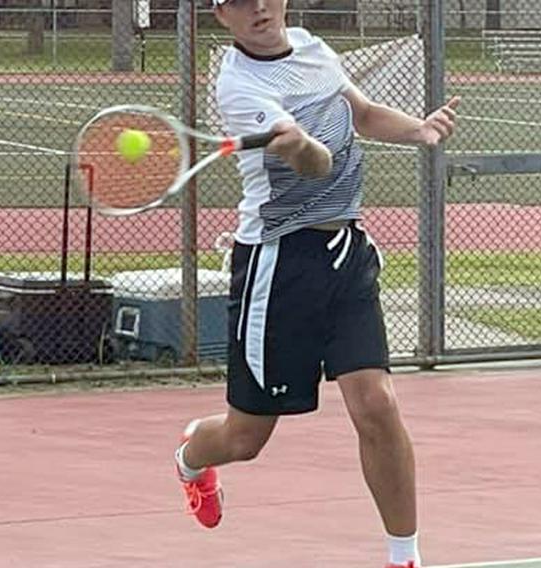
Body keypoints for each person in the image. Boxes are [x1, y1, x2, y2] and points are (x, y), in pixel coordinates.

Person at [174, 1, 459, 566]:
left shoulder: (310, 46)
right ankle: (189, 458)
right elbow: (315, 165)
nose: (258, 7)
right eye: (239, 0)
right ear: (220, 14)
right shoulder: (238, 86)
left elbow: (360, 113)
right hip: (278, 269)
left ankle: (405, 557)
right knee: (244, 439)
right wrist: (299, 144)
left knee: (376, 403)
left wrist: (419, 129)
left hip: (346, 253)